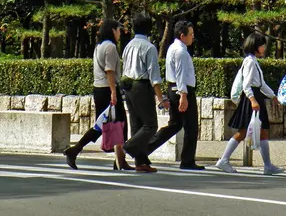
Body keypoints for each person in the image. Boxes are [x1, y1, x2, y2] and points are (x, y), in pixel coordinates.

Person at [64, 19, 132, 171]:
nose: (120, 33)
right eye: (118, 30)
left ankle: (118, 161)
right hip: (108, 90)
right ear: (112, 31)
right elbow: (110, 71)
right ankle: (76, 150)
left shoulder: (99, 46)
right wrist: (114, 92)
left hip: (99, 89)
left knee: (104, 124)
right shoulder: (110, 47)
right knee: (119, 124)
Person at [215, 32, 284, 175]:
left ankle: (267, 165)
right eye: (262, 45)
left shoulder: (252, 61)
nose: (264, 47)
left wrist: (273, 96)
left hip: (255, 96)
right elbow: (247, 85)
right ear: (255, 46)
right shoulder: (251, 62)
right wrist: (253, 100)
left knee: (261, 130)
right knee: (244, 131)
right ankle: (224, 160)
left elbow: (261, 84)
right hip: (252, 98)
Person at [147, 20, 204, 170]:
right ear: (182, 35)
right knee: (191, 126)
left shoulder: (173, 47)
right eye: (190, 34)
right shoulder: (181, 51)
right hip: (181, 90)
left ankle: (146, 148)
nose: (193, 37)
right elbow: (180, 75)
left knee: (175, 125)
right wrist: (183, 95)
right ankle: (187, 160)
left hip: (173, 89)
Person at [121, 13, 169, 173]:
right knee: (150, 125)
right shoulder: (149, 47)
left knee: (136, 125)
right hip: (141, 86)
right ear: (149, 29)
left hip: (127, 86)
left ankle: (141, 162)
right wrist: (161, 98)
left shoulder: (128, 45)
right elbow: (154, 77)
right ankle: (128, 147)